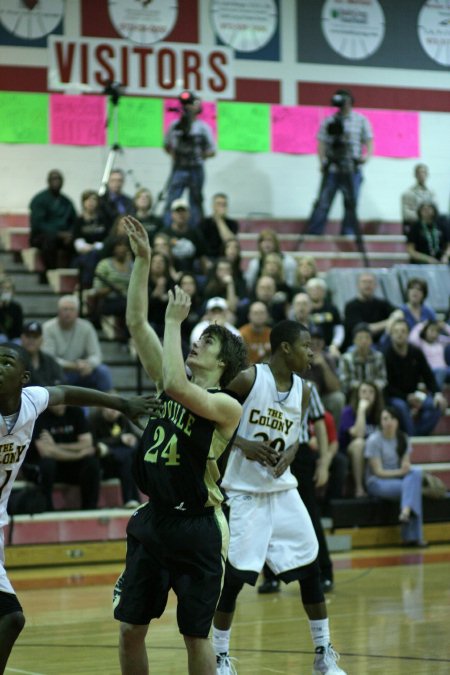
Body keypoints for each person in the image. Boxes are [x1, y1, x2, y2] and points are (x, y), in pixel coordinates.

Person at [113, 215, 246, 675]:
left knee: (196, 635)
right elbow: (134, 322)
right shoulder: (174, 380)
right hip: (155, 520)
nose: (196, 342)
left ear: (223, 361)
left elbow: (173, 382)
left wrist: (173, 322)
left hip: (200, 528)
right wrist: (144, 262)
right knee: (130, 628)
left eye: (206, 341)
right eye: (197, 336)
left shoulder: (226, 405)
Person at [0, 342, 157, 674]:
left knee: (11, 619)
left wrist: (123, 404)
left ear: (24, 377)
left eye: (6, 362)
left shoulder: (32, 400)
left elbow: (69, 392)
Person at [213, 320, 346, 675]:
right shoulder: (249, 379)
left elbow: (297, 435)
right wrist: (242, 443)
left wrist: (289, 453)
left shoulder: (304, 390)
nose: (312, 352)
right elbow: (208, 415)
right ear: (285, 347)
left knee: (312, 568)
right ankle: (219, 657)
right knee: (236, 577)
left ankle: (323, 655)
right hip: (243, 492)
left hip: (283, 488)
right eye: (306, 345)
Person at [307, 89, 373, 236]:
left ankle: (348, 232)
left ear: (350, 101)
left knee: (351, 203)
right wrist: (322, 161)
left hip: (352, 168)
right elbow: (322, 142)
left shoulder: (360, 120)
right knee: (323, 202)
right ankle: (314, 232)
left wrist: (366, 157)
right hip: (332, 169)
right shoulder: (329, 121)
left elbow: (369, 141)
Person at [365, 407, 426, 547]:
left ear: (397, 421)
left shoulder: (403, 438)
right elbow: (378, 472)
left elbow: (406, 465)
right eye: (385, 418)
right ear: (381, 422)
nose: (389, 422)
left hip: (398, 481)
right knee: (412, 488)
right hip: (377, 482)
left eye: (392, 418)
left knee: (416, 472)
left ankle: (405, 513)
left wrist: (404, 470)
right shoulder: (374, 440)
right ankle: (415, 538)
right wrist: (401, 472)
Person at [31, 402, 101, 511]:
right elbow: (46, 452)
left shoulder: (75, 412)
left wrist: (55, 446)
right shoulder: (40, 416)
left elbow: (87, 443)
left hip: (73, 468)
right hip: (53, 469)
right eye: (55, 401)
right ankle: (47, 507)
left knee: (92, 463)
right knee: (47, 464)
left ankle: (90, 508)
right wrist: (79, 454)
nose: (59, 404)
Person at [384, 318, 447, 436]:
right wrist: (407, 397)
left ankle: (416, 434)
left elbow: (428, 377)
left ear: (408, 334)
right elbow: (387, 386)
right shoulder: (386, 355)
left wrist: (437, 394)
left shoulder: (416, 352)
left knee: (436, 405)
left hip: (415, 394)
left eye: (403, 331)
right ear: (391, 335)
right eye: (396, 331)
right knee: (401, 407)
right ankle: (413, 438)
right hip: (395, 397)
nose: (399, 334)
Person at [163, 91, 216, 228]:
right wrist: (174, 155)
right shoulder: (175, 126)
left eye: (194, 104)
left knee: (196, 201)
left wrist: (201, 156)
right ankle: (168, 229)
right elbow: (166, 144)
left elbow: (212, 150)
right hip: (179, 168)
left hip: (196, 168)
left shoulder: (203, 128)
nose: (190, 107)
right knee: (172, 199)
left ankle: (195, 230)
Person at [42, 295, 113, 392]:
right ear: (58, 311)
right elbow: (49, 359)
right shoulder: (48, 328)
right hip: (59, 371)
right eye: (65, 309)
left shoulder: (87, 327)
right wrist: (73, 366)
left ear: (77, 313)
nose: (68, 313)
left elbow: (96, 355)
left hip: (82, 371)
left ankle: (107, 403)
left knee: (103, 371)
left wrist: (88, 364)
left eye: (72, 310)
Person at [89, 406, 141, 509]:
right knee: (126, 457)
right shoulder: (93, 420)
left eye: (117, 408)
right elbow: (93, 443)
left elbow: (135, 435)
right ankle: (132, 499)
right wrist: (120, 440)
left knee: (129, 456)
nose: (113, 411)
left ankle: (133, 500)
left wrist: (133, 439)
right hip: (103, 463)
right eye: (110, 408)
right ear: (103, 408)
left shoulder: (122, 419)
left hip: (121, 460)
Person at [338, 381, 384, 498]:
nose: (367, 395)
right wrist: (361, 411)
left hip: (373, 452)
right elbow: (358, 434)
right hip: (350, 451)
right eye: (363, 391)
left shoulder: (381, 413)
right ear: (357, 394)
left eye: (371, 392)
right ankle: (359, 488)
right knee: (359, 444)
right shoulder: (348, 412)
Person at [29, 169, 76, 280]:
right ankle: (49, 273)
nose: (57, 181)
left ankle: (70, 274)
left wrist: (71, 234)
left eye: (59, 179)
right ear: (48, 181)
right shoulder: (39, 199)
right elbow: (37, 224)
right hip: (41, 237)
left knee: (77, 241)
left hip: (64, 237)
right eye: (54, 179)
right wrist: (57, 234)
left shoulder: (67, 202)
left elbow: (74, 221)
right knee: (49, 241)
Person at [343, 272, 396, 348]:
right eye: (364, 282)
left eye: (370, 282)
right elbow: (365, 329)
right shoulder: (351, 306)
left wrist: (396, 316)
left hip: (382, 344)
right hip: (358, 346)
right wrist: (389, 322)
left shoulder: (382, 303)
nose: (367, 285)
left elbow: (399, 313)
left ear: (375, 285)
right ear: (358, 285)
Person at [307, 325, 346, 429]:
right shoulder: (299, 357)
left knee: (338, 398)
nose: (315, 344)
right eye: (312, 341)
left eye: (318, 341)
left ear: (323, 343)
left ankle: (334, 436)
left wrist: (324, 366)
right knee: (311, 386)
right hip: (302, 399)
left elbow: (336, 387)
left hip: (323, 398)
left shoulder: (328, 358)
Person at [71, 189, 109, 289]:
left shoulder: (103, 220)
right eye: (88, 200)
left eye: (94, 200)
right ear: (83, 203)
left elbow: (106, 242)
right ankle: (87, 284)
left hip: (100, 255)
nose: (91, 202)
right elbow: (80, 247)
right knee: (91, 256)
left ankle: (87, 285)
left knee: (95, 255)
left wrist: (93, 247)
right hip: (81, 257)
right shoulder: (78, 221)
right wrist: (95, 246)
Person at [339, 322, 387, 398]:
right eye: (360, 338)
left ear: (371, 340)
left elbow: (382, 379)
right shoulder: (346, 358)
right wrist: (362, 388)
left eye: (367, 338)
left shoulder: (378, 356)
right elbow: (345, 382)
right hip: (353, 395)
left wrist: (371, 389)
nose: (364, 341)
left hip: (375, 395)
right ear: (354, 341)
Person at [198, 193, 240, 266]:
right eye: (218, 204)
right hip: (210, 258)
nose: (221, 207)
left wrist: (219, 220)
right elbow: (201, 247)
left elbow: (229, 241)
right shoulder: (204, 223)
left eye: (224, 205)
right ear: (213, 206)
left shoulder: (232, 223)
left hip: (227, 258)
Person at [20, 321, 65, 387]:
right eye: (28, 336)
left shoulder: (49, 361)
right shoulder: (16, 359)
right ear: (22, 338)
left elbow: (62, 381)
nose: (31, 340)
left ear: (41, 339)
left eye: (35, 337)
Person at [409, 320, 450, 390]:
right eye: (431, 330)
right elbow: (411, 339)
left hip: (444, 369)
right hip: (430, 371)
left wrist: (444, 326)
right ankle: (436, 392)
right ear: (425, 331)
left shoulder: (440, 342)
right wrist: (423, 324)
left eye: (436, 331)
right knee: (441, 371)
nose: (433, 334)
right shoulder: (421, 343)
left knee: (443, 370)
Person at [401, 163, 437, 236]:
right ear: (415, 175)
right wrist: (423, 218)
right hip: (415, 227)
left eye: (424, 172)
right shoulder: (408, 193)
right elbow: (406, 213)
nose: (422, 175)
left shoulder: (432, 193)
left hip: (430, 227)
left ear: (427, 175)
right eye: (419, 172)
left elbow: (436, 209)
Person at [0, 278, 23, 343]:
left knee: (18, 342)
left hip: (13, 338)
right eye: (2, 288)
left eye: (8, 288)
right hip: (1, 337)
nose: (5, 291)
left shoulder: (16, 307)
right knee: (2, 338)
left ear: (13, 292)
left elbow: (18, 329)